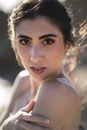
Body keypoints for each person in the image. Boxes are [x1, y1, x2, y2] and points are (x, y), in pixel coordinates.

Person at [0, 0, 81, 129]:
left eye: (48, 41)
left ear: (67, 44)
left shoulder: (57, 90)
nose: (35, 57)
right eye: (25, 41)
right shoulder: (24, 80)